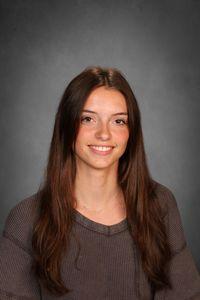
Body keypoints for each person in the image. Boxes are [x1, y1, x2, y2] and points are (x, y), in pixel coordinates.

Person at [0, 66, 200, 300]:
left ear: (131, 132)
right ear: (66, 126)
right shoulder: (27, 218)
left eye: (118, 121)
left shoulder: (159, 204)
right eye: (88, 119)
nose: (104, 134)